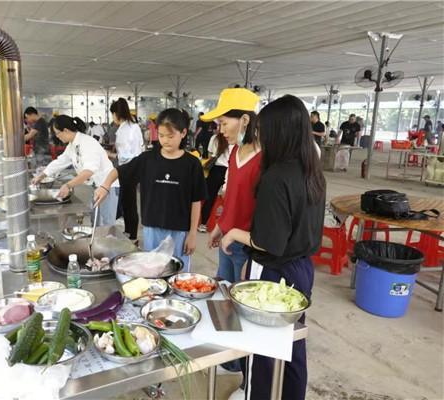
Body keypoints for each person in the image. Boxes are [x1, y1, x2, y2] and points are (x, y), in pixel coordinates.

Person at [220, 95, 325, 400]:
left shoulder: (276, 176)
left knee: (260, 349)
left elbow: (269, 242)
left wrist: (234, 234)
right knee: (292, 343)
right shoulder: (311, 169)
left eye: (264, 130)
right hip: (301, 271)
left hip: (273, 274)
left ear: (278, 132)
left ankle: (255, 394)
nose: (260, 136)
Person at [94, 108, 206, 269]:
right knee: (152, 271)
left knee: (178, 273)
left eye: (170, 136)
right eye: (161, 135)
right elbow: (119, 171)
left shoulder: (192, 164)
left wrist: (193, 234)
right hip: (152, 228)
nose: (165, 140)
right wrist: (105, 186)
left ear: (183, 133)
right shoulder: (147, 159)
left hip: (180, 231)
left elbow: (196, 201)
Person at [202, 88, 261, 282]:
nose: (221, 130)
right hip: (227, 238)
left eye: (224, 123)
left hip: (248, 245)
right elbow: (233, 197)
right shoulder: (234, 150)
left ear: (244, 120)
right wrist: (220, 226)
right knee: (223, 289)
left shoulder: (264, 158)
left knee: (241, 294)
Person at [31, 115, 119, 226]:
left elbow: (89, 171)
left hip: (107, 186)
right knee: (96, 222)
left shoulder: (87, 143)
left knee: (105, 224)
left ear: (66, 130)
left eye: (57, 133)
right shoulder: (72, 145)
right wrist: (42, 175)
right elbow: (60, 161)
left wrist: (68, 185)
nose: (57, 137)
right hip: (96, 186)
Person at [110, 98, 143, 243]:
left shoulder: (128, 129)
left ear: (116, 113)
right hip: (129, 167)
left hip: (129, 168)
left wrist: (111, 155)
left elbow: (129, 154)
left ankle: (133, 235)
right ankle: (129, 231)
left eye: (112, 114)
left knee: (129, 202)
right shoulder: (130, 127)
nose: (112, 117)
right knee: (126, 201)